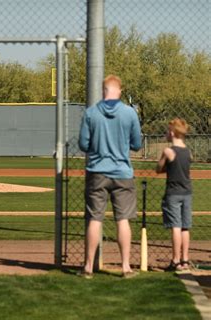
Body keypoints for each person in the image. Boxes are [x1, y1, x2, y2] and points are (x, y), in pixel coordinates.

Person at [78, 75, 142, 278]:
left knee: (95, 219)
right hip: (122, 172)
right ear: (119, 91)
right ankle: (125, 267)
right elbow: (137, 144)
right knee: (123, 219)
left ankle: (88, 267)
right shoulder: (129, 113)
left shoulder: (91, 113)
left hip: (97, 170)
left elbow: (83, 144)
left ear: (103, 91)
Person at [156, 118, 193, 271]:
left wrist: (164, 167)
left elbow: (159, 168)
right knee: (185, 227)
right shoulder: (188, 151)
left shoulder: (168, 151)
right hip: (187, 192)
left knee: (176, 226)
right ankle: (185, 259)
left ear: (172, 133)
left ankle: (176, 260)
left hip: (173, 193)